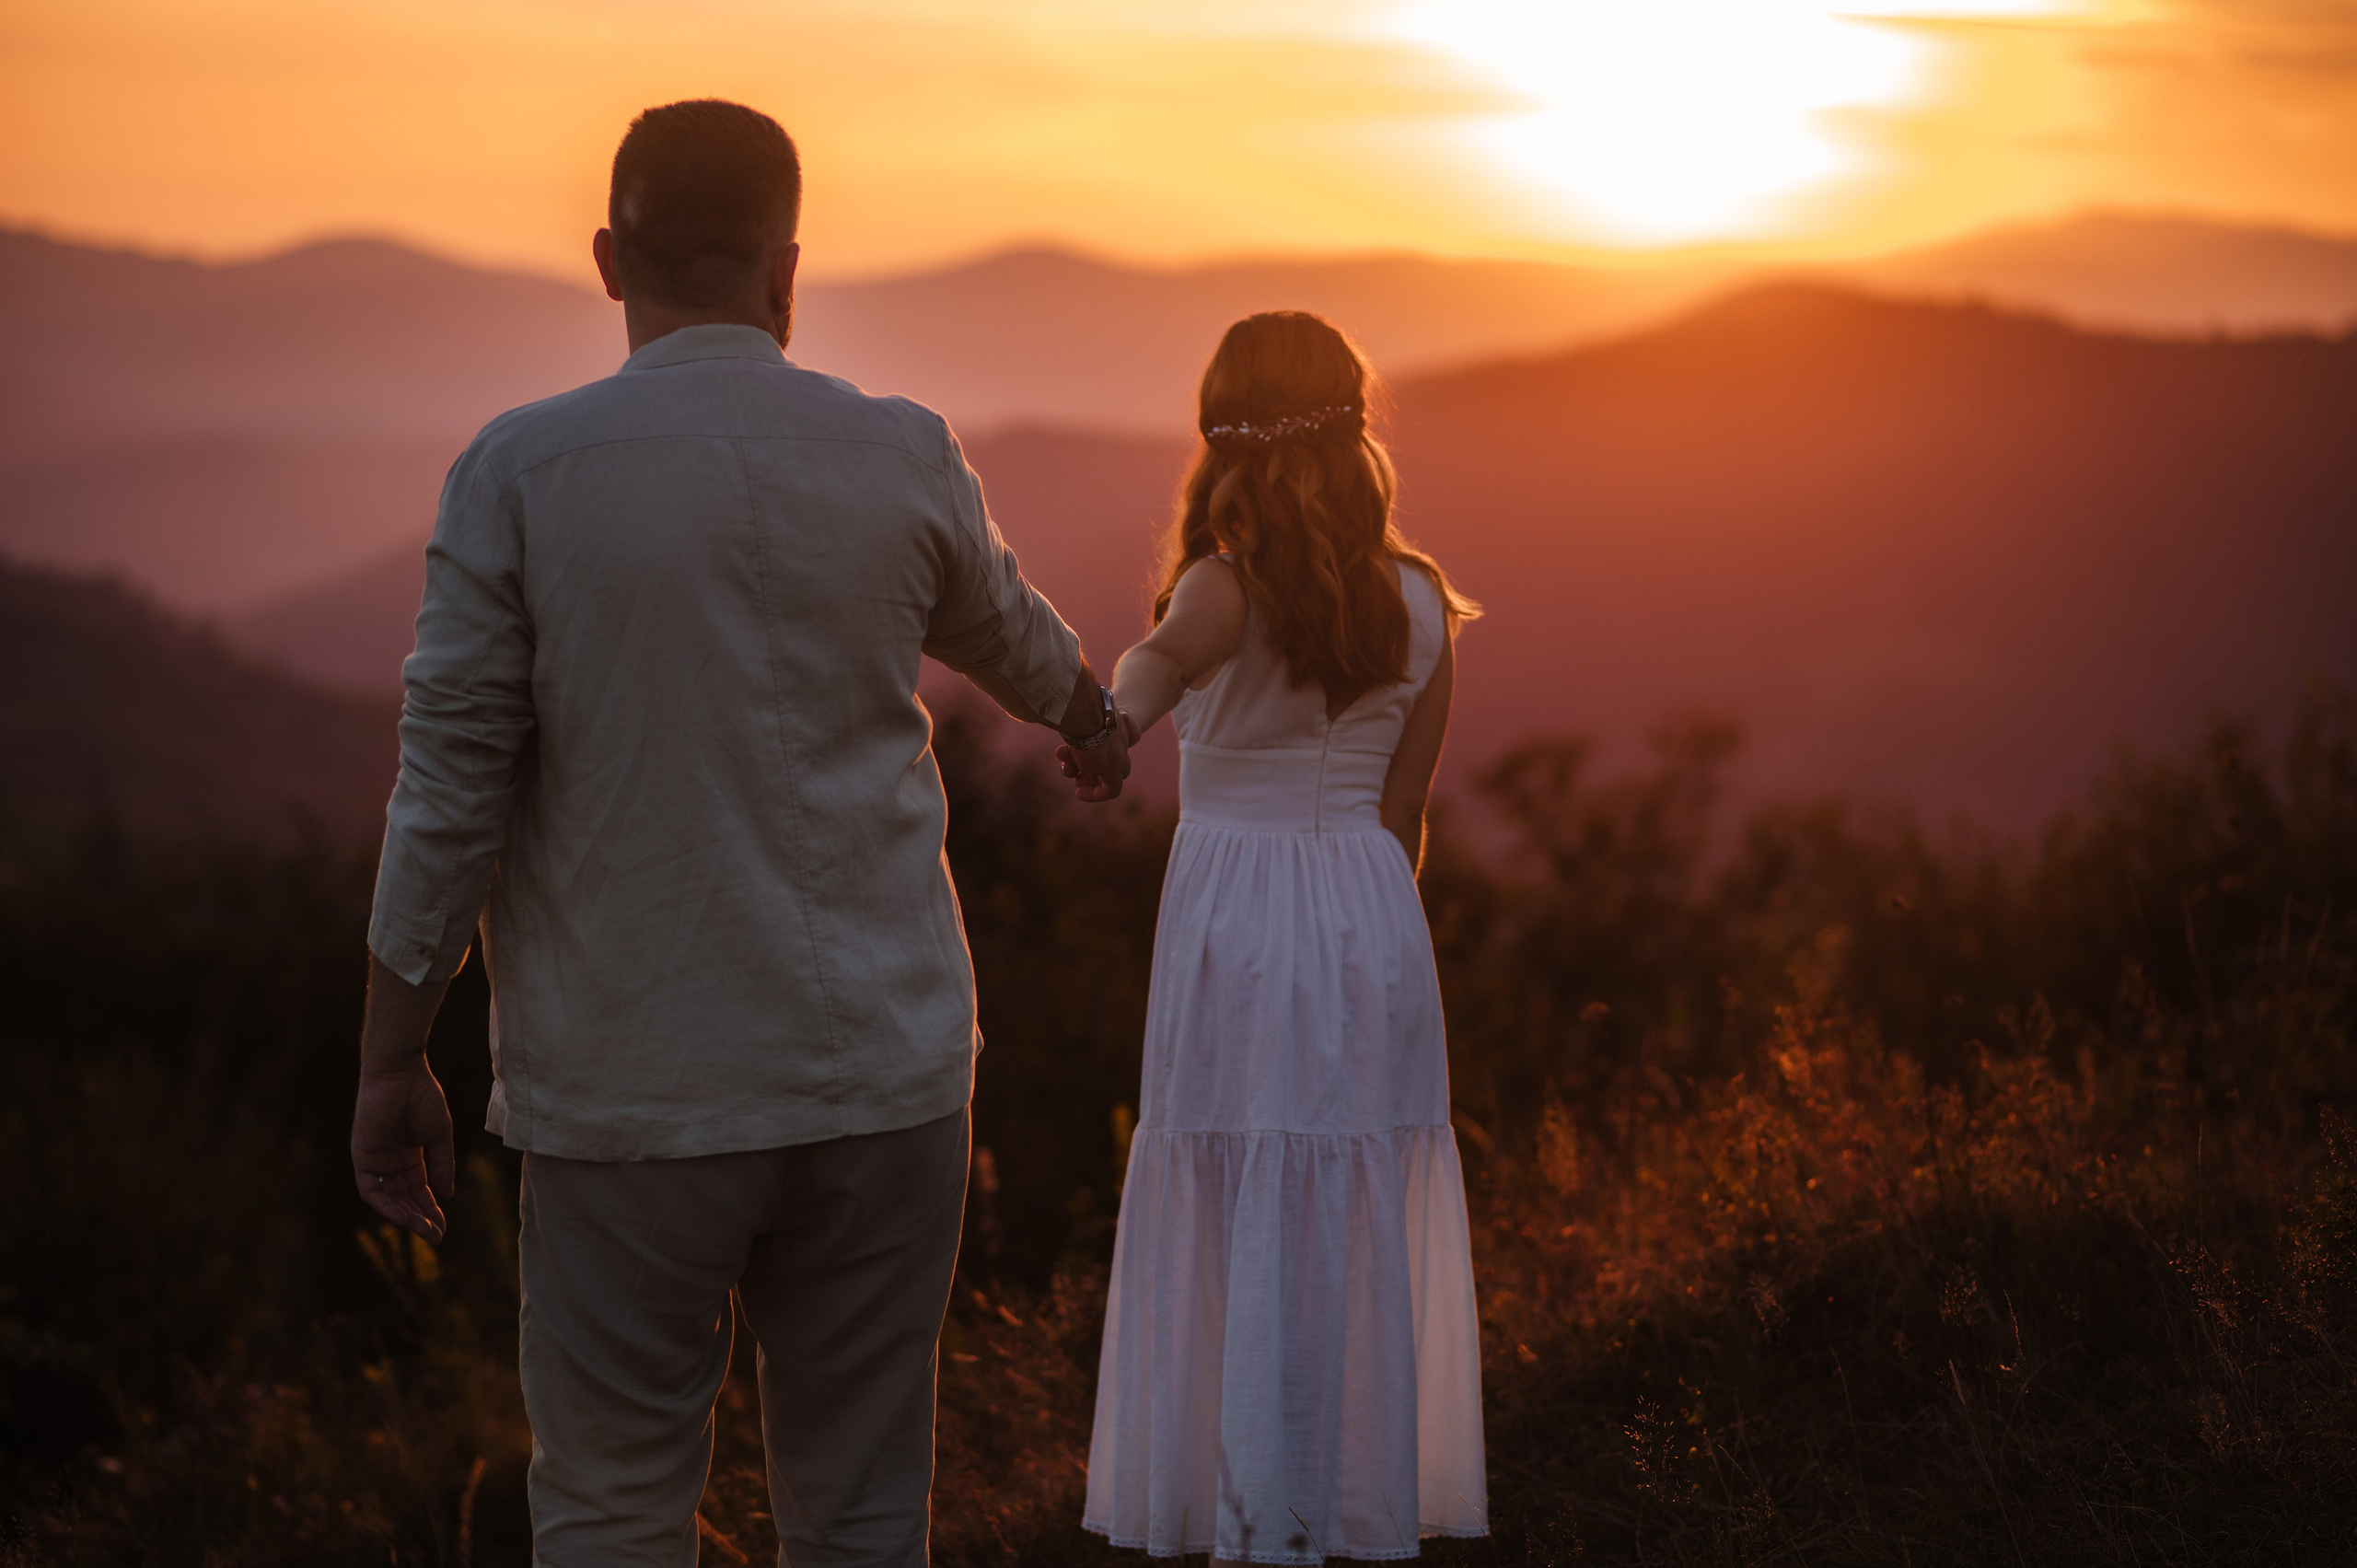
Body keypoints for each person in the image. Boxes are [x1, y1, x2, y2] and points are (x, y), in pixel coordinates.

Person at [346, 99, 1132, 1565]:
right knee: (861, 1513)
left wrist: (396, 1056)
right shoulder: (902, 452)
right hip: (887, 1078)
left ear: (605, 259)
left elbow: (449, 790)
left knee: (612, 1507)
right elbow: (1020, 646)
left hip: (635, 1091)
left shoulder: (518, 475)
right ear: (785, 271)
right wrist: (1095, 722)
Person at [1073, 311, 1487, 1563]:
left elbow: (1146, 668)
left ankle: (1253, 1512)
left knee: (1242, 1180)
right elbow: (1404, 812)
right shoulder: (1422, 602)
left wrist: (1105, 734)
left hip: (1244, 916)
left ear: (1222, 431)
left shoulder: (1221, 582)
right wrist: (1370, 943)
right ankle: (1333, 1502)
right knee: (1339, 1194)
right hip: (1370, 913)